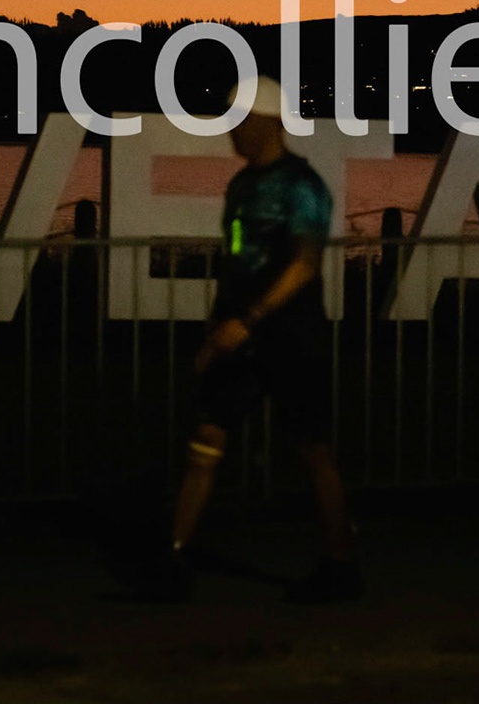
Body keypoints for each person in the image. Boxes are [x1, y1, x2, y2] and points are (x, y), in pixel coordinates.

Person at [149, 76, 361, 603]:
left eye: (238, 120)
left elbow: (305, 265)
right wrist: (217, 327)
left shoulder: (303, 185)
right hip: (242, 336)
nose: (231, 132)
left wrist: (249, 317)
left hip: (292, 336)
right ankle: (172, 559)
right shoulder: (242, 185)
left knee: (314, 451)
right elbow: (237, 259)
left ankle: (340, 566)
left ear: (264, 121)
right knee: (205, 440)